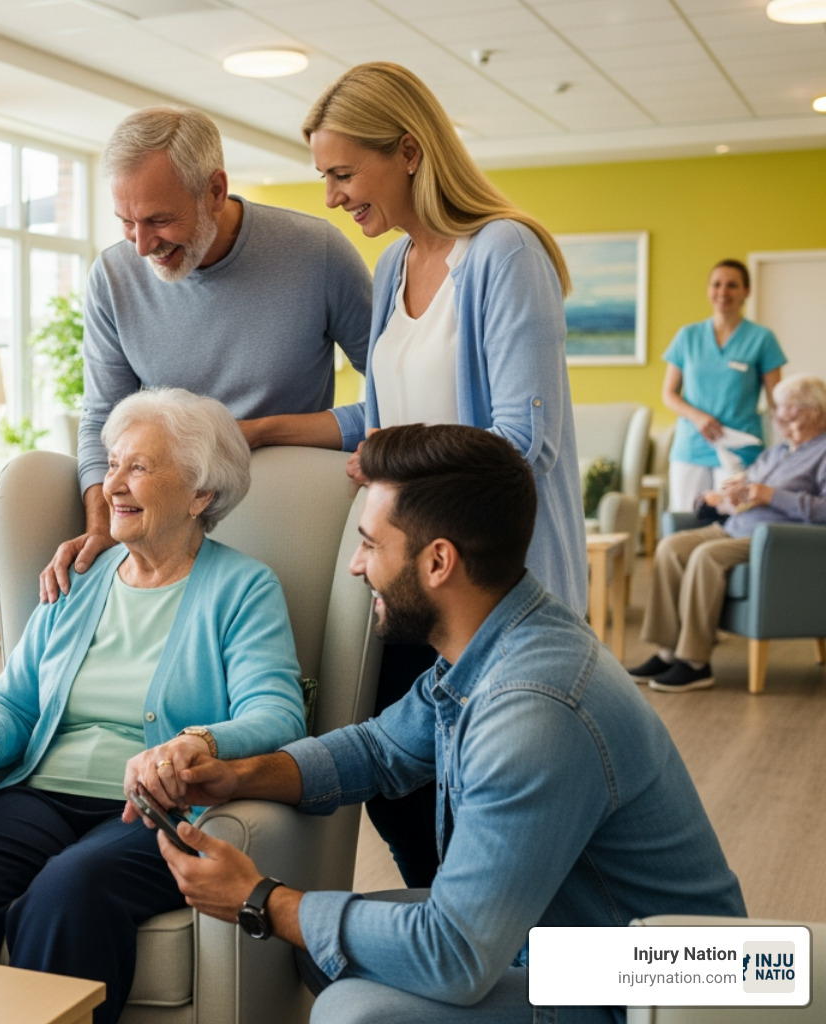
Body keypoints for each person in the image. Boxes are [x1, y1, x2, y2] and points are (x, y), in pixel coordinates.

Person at [140, 423, 746, 1024]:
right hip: (572, 941)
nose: (355, 566)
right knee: (326, 955)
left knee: (356, 1012)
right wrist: (235, 774)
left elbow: (453, 952)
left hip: (656, 983)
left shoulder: (534, 707)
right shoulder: (498, 639)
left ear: (437, 562)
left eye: (371, 545)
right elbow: (379, 750)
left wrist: (260, 899)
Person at [0, 388, 306, 1024]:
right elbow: (17, 696)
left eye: (139, 466)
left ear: (201, 494)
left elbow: (278, 714)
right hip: (41, 793)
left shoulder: (243, 587)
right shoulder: (79, 578)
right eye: (112, 465)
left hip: (151, 810)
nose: (113, 485)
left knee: (69, 891)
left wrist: (196, 741)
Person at [280, 61, 590, 888]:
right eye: (325, 177)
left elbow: (524, 442)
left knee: (481, 796)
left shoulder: (503, 253)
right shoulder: (392, 269)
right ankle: (443, 925)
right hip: (407, 575)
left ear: (409, 150)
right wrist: (257, 430)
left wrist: (389, 462)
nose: (333, 196)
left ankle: (486, 959)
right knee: (399, 781)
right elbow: (383, 415)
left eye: (344, 173)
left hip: (487, 580)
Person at [40, 104, 372, 603]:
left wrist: (261, 432)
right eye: (126, 222)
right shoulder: (112, 277)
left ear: (215, 190)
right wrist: (102, 525)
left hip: (292, 521)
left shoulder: (318, 253)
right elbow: (101, 419)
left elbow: (400, 403)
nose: (141, 246)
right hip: (163, 531)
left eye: (159, 220)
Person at [632, 373, 826, 692]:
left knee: (707, 557)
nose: (782, 420)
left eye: (791, 413)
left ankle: (695, 662)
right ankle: (667, 652)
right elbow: (745, 494)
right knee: (670, 547)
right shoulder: (776, 453)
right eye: (781, 412)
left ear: (815, 412)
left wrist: (770, 495)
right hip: (736, 528)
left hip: (777, 540)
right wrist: (718, 499)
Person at [662, 259, 787, 515]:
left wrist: (794, 445)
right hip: (691, 448)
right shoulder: (688, 336)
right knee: (686, 522)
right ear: (708, 290)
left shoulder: (762, 339)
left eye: (732, 285)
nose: (723, 292)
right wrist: (698, 417)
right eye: (717, 285)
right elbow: (669, 394)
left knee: (734, 525)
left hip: (741, 450)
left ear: (746, 292)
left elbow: (779, 402)